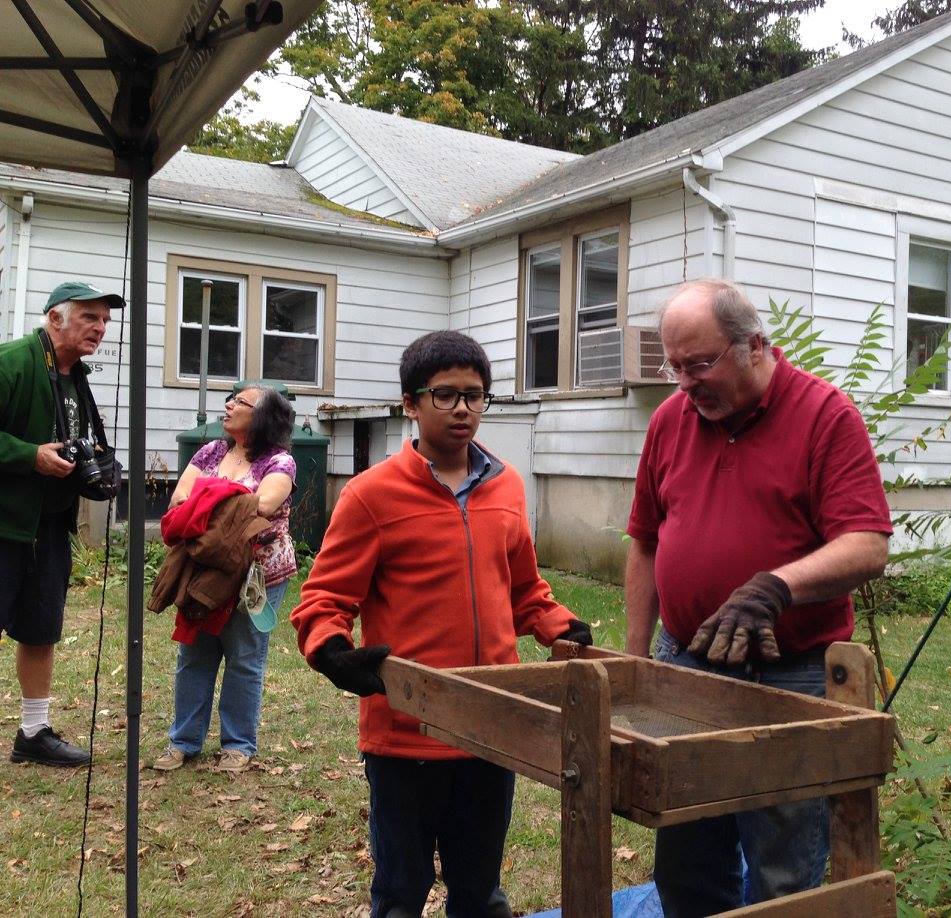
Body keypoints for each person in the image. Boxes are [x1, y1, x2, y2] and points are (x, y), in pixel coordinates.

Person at [292, 330, 592, 918]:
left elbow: (525, 589)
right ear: (411, 403)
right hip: (407, 730)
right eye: (445, 394)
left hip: (491, 722)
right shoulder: (370, 495)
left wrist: (561, 626)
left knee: (479, 894)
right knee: (401, 896)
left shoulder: (505, 485)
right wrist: (330, 651)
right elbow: (325, 595)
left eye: (475, 396)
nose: (462, 408)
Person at [625, 279, 893, 916]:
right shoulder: (671, 419)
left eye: (700, 364)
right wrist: (635, 660)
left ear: (755, 346)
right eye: (675, 366)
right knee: (687, 860)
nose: (685, 383)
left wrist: (777, 587)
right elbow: (644, 541)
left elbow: (867, 544)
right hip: (685, 666)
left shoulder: (826, 416)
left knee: (783, 871)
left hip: (789, 677)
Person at [0, 281, 124, 767]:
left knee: (40, 629)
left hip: (49, 527)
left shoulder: (77, 378)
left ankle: (33, 732)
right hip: (5, 525)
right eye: (90, 318)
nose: (101, 328)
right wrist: (30, 456)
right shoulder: (12, 362)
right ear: (55, 318)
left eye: (104, 321)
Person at [152, 384, 297, 774]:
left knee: (244, 657)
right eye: (230, 400)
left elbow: (263, 505)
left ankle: (237, 745)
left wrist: (207, 499)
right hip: (205, 567)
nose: (229, 405)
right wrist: (225, 503)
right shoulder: (210, 452)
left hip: (258, 574)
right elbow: (179, 500)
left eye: (241, 402)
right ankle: (183, 742)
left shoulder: (280, 461)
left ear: (263, 416)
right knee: (194, 654)